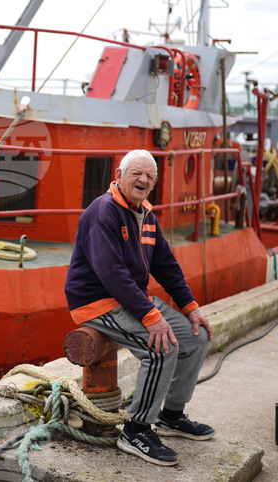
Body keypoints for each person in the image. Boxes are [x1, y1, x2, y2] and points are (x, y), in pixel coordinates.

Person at [64, 149, 215, 466]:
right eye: (136, 173)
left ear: (154, 182)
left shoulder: (145, 212)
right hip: (97, 302)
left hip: (130, 297)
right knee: (162, 346)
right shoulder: (103, 211)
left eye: (149, 176)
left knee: (194, 336)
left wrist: (190, 308)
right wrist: (152, 318)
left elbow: (165, 264)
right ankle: (135, 430)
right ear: (118, 176)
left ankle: (171, 416)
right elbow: (111, 274)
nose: (143, 180)